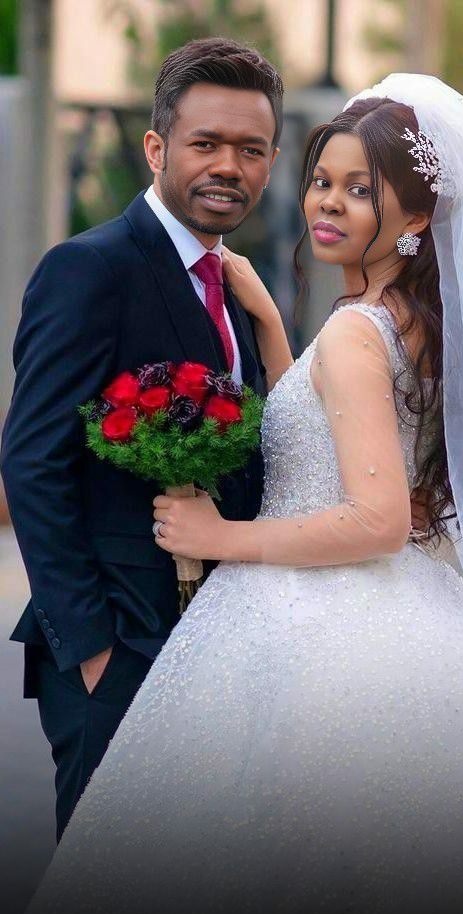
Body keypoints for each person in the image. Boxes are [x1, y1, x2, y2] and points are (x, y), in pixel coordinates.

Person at [22, 75, 463, 914]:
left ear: (419, 217)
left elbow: (377, 518)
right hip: (392, 617)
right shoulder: (410, 322)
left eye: (361, 190)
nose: (330, 203)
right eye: (322, 181)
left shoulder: (355, 332)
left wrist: (218, 536)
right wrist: (276, 336)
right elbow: (332, 440)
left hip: (314, 633)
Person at [0, 37, 285, 843]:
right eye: (206, 144)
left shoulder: (236, 288)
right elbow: (32, 460)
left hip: (223, 646)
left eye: (251, 149)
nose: (228, 166)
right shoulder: (89, 268)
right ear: (157, 148)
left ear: (270, 163)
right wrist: (93, 648)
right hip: (120, 648)